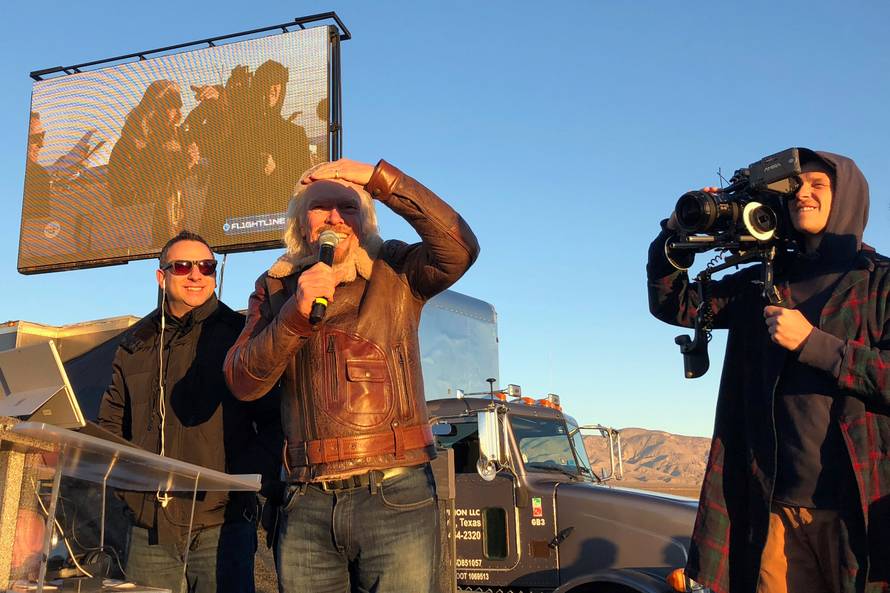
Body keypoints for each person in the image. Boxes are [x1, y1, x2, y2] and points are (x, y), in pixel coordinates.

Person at [224, 158, 479, 593]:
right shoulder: (276, 287)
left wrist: (378, 179)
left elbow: (460, 248)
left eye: (349, 207)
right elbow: (243, 380)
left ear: (366, 222)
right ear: (302, 224)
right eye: (321, 207)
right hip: (306, 501)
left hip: (396, 494)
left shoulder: (396, 269)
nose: (335, 218)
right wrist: (293, 316)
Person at [647, 149, 890, 593]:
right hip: (774, 508)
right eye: (796, 187)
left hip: (860, 513)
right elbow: (676, 304)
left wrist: (815, 344)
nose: (804, 195)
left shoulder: (879, 284)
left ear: (849, 196)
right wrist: (672, 237)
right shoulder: (764, 281)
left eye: (819, 186)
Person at [97, 230, 282, 593]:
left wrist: (239, 482)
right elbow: (111, 425)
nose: (196, 274)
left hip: (222, 525)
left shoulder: (241, 336)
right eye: (183, 266)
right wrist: (128, 495)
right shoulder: (135, 343)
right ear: (161, 276)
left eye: (206, 266)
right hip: (148, 528)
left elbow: (275, 420)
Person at [107, 80, 201, 246]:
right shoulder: (128, 147)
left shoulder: (175, 139)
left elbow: (222, 136)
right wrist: (181, 169)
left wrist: (217, 99)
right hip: (146, 243)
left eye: (180, 106)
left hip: (179, 237)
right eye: (172, 107)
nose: (179, 115)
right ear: (154, 109)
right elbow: (129, 203)